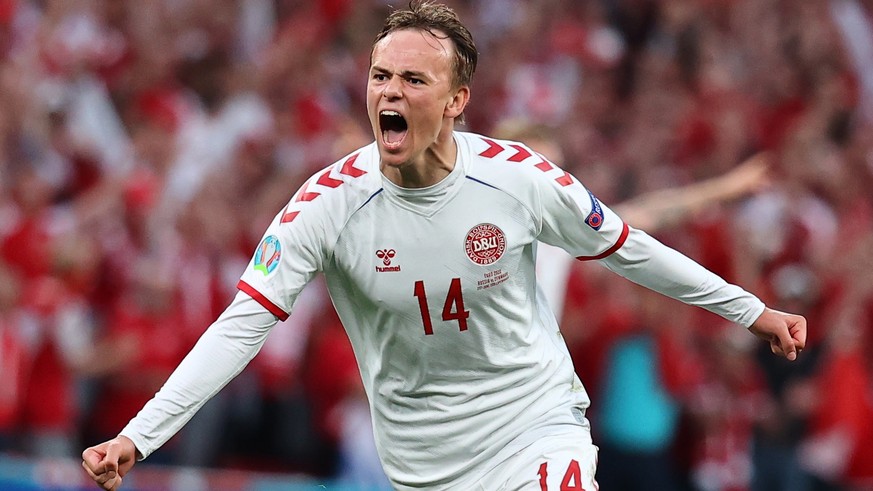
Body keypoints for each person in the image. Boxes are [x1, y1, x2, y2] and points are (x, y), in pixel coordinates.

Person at [82, 2, 807, 490]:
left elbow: (628, 244)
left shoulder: (520, 178)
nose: (387, 92)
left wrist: (750, 310)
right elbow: (240, 325)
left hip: (535, 422)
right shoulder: (326, 204)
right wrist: (138, 436)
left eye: (412, 79)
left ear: (456, 99)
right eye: (378, 76)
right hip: (422, 459)